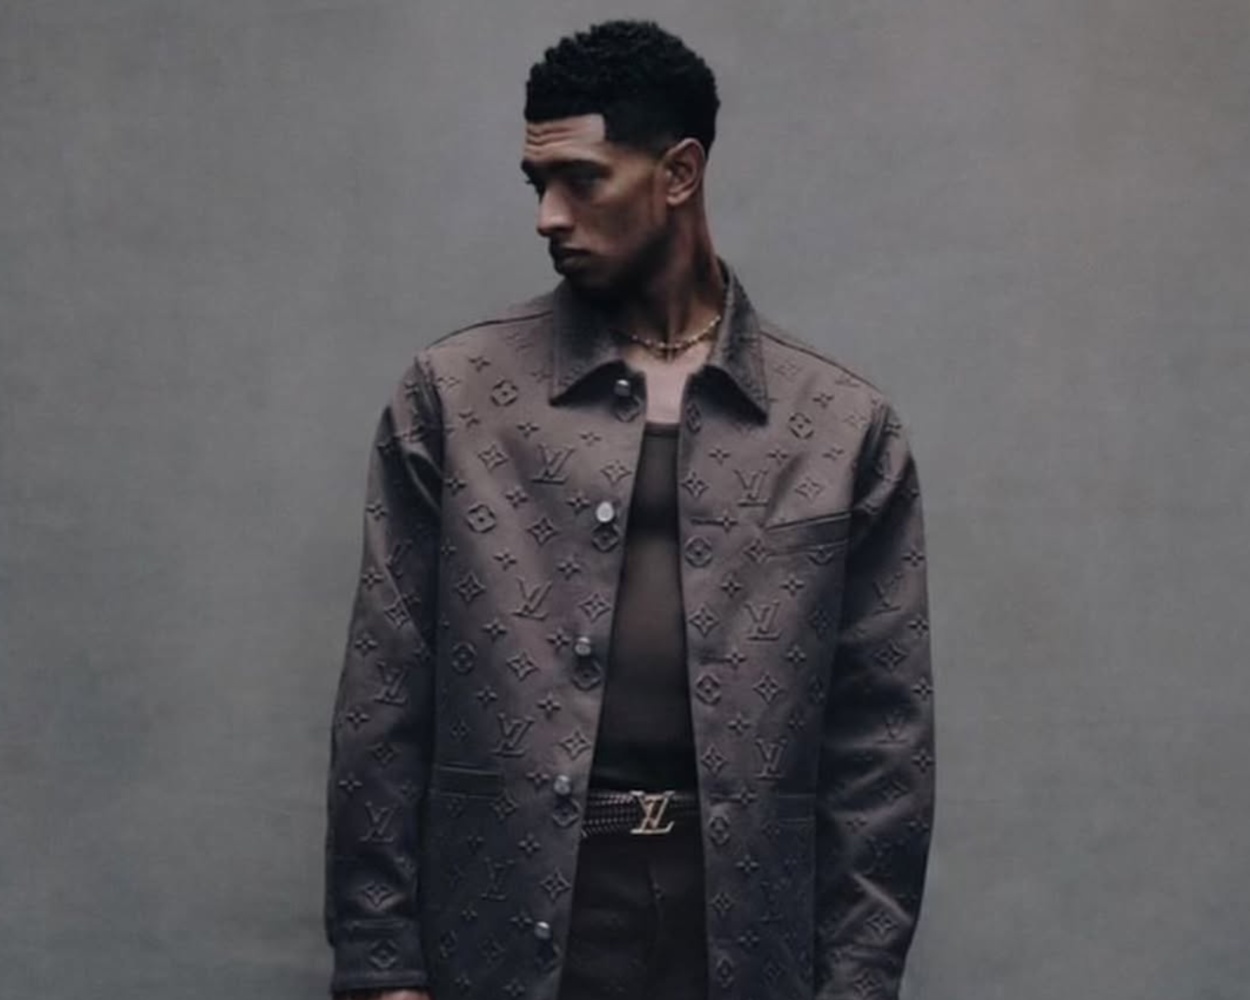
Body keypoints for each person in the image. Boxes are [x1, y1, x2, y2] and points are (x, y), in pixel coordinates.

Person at [324, 19, 934, 1000]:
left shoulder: (838, 426)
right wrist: (382, 966)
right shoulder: (453, 398)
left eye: (582, 180)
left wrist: (858, 983)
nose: (547, 216)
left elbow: (881, 745)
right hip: (503, 930)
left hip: (742, 939)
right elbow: (383, 700)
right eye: (537, 184)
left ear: (679, 172)